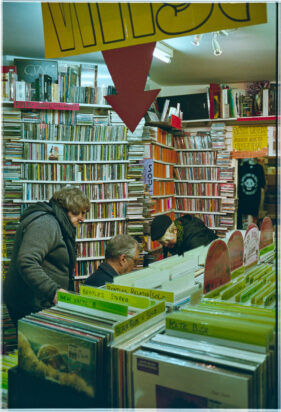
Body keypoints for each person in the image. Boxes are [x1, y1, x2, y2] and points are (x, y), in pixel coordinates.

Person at [3, 186, 90, 324]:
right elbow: (27, 261)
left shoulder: (58, 222)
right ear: (70, 208)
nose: (83, 219)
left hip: (38, 301)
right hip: (31, 304)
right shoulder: (46, 224)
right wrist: (53, 292)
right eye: (82, 213)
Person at [150, 214, 218, 258]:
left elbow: (198, 266)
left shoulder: (194, 240)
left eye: (167, 241)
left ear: (175, 230)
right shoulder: (172, 232)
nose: (165, 245)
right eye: (162, 242)